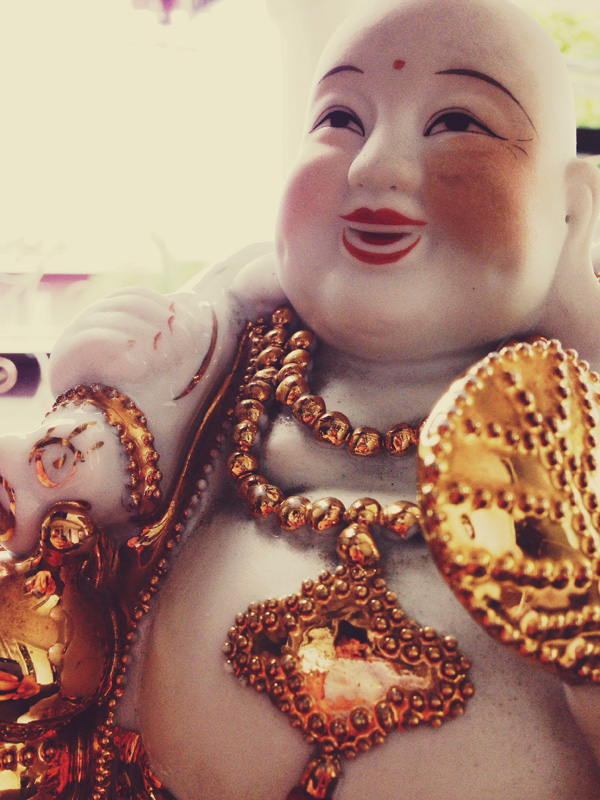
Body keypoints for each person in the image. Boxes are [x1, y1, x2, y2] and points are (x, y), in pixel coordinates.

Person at [0, 0, 599, 797]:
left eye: (456, 120)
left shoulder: (573, 438)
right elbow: (72, 519)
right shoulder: (230, 365)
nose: (374, 165)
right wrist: (100, 401)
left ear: (572, 209)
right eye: (341, 118)